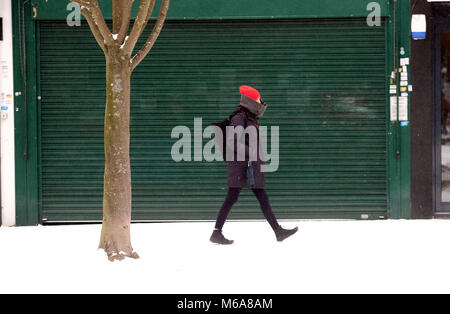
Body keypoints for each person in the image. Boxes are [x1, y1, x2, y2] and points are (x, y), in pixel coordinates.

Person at [210, 85, 298, 245]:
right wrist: (251, 151)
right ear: (250, 101)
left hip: (249, 165)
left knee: (261, 197)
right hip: (240, 166)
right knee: (232, 198)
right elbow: (232, 142)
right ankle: (216, 232)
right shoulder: (239, 118)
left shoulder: (249, 117)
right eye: (257, 99)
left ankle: (278, 231)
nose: (260, 102)